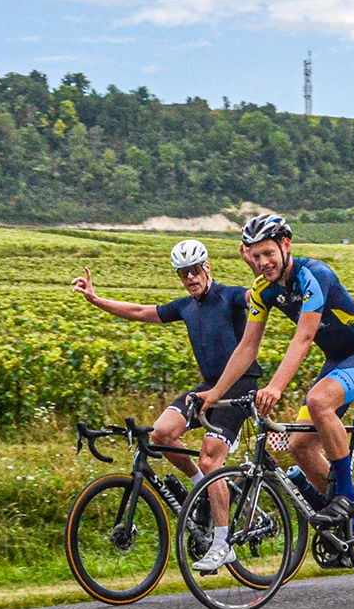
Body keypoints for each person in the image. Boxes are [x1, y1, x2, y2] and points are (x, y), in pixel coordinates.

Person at [194, 214, 354, 537]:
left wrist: (275, 387)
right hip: (337, 361)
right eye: (256, 256)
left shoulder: (314, 274)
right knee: (299, 446)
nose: (263, 263)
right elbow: (247, 347)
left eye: (268, 253)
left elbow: (303, 338)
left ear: (286, 245)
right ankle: (350, 530)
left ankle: (347, 498)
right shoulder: (263, 290)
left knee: (318, 401)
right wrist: (215, 393)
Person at [71, 239, 261, 572]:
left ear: (207, 268)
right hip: (208, 387)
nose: (190, 278)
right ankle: (203, 485)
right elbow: (141, 312)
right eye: (183, 273)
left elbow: (258, 296)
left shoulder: (230, 296)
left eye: (195, 270)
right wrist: (95, 299)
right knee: (162, 434)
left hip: (239, 385)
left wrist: (256, 267)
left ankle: (222, 543)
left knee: (210, 456)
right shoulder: (187, 307)